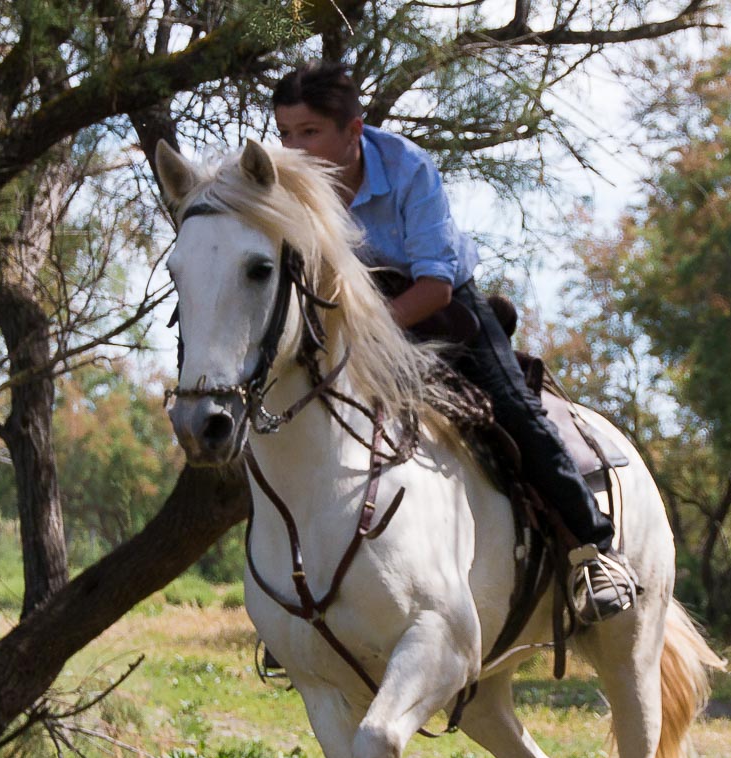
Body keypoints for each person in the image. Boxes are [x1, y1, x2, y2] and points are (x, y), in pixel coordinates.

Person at [270, 60, 639, 624]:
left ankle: (595, 552)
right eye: (285, 135)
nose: (295, 150)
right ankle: (290, 595)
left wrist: (366, 333)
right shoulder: (285, 183)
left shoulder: (407, 167)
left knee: (513, 407)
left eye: (309, 133)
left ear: (352, 130)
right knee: (290, 412)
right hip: (350, 315)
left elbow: (437, 285)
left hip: (436, 307)